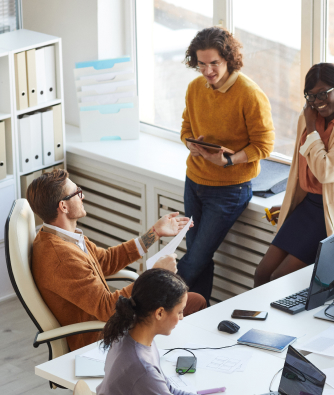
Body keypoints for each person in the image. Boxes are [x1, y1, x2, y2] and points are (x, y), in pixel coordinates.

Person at [27, 169, 207, 351]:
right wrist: (155, 275)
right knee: (193, 303)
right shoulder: (61, 258)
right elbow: (107, 308)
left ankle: (165, 356)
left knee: (192, 302)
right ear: (63, 207)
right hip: (99, 336)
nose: (83, 196)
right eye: (77, 192)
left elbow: (106, 260)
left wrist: (155, 233)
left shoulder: (64, 237)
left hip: (108, 320)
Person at [178, 26, 275, 303]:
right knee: (200, 257)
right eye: (202, 64)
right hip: (194, 181)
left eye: (214, 64)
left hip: (229, 190)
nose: (208, 71)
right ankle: (194, 313)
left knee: (193, 260)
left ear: (229, 59)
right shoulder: (195, 88)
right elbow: (185, 128)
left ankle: (146, 305)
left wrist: (228, 160)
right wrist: (191, 144)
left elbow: (264, 146)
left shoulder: (249, 94)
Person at [254, 63, 334, 287]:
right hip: (310, 205)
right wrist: (290, 202)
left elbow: (328, 171)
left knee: (280, 280)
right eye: (311, 96)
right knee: (262, 274)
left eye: (323, 94)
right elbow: (300, 169)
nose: (317, 102)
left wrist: (311, 127)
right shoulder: (309, 115)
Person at [96, 269, 192, 395]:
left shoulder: (127, 334)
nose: (181, 317)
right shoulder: (143, 369)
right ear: (159, 313)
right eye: (179, 312)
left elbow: (170, 390)